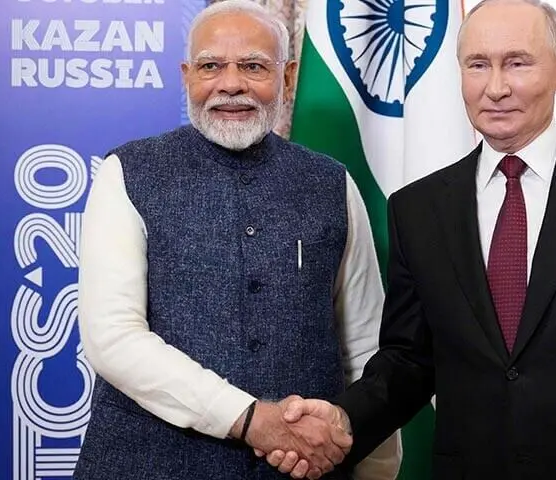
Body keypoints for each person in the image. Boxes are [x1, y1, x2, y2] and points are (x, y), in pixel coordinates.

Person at [271, 0, 556, 478]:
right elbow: (409, 360)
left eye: (517, 62)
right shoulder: (417, 208)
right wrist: (346, 418)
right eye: (477, 65)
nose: (496, 87)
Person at [74, 0, 400, 479]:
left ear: (288, 79)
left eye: (253, 66)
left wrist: (374, 467)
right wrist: (251, 420)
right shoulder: (127, 173)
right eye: (211, 66)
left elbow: (365, 343)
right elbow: (114, 339)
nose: (231, 84)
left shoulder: (333, 183)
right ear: (187, 75)